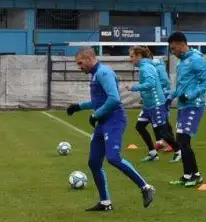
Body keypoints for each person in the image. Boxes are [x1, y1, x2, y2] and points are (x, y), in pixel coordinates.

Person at [66, 47, 155, 212]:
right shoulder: (95, 75)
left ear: (90, 58)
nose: (79, 67)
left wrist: (95, 115)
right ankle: (105, 203)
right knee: (94, 162)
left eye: (80, 63)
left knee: (113, 158)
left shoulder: (103, 73)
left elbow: (114, 99)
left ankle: (145, 187)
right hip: (103, 122)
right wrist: (78, 107)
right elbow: (99, 101)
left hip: (114, 120)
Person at [167, 32, 206, 188]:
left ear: (181, 44)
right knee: (181, 140)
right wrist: (170, 96)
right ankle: (188, 175)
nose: (172, 52)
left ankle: (196, 175)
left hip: (194, 105)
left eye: (173, 48)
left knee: (183, 140)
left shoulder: (196, 60)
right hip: (183, 106)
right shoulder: (182, 62)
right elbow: (181, 85)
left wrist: (190, 95)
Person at [129, 46, 180, 163]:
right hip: (149, 105)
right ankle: (153, 153)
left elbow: (151, 84)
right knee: (140, 126)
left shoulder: (145, 67)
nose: (130, 59)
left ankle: (179, 150)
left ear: (139, 56)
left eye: (132, 56)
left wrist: (134, 87)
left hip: (156, 104)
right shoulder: (145, 66)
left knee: (162, 132)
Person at [152, 55, 177, 157]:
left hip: (162, 97)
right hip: (155, 97)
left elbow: (165, 81)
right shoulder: (152, 65)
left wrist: (160, 92)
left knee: (163, 120)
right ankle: (160, 142)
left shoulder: (157, 66)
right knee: (155, 119)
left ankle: (172, 143)